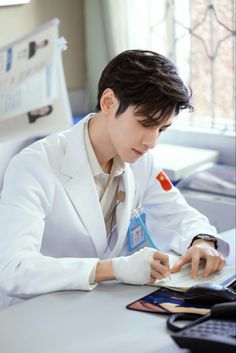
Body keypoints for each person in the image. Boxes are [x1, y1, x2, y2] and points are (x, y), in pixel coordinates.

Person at [0, 50, 229, 308]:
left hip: (95, 307)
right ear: (109, 102)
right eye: (145, 123)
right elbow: (14, 270)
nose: (151, 142)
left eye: (161, 129)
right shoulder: (33, 165)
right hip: (32, 313)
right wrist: (114, 269)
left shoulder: (140, 161)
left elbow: (178, 214)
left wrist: (202, 241)